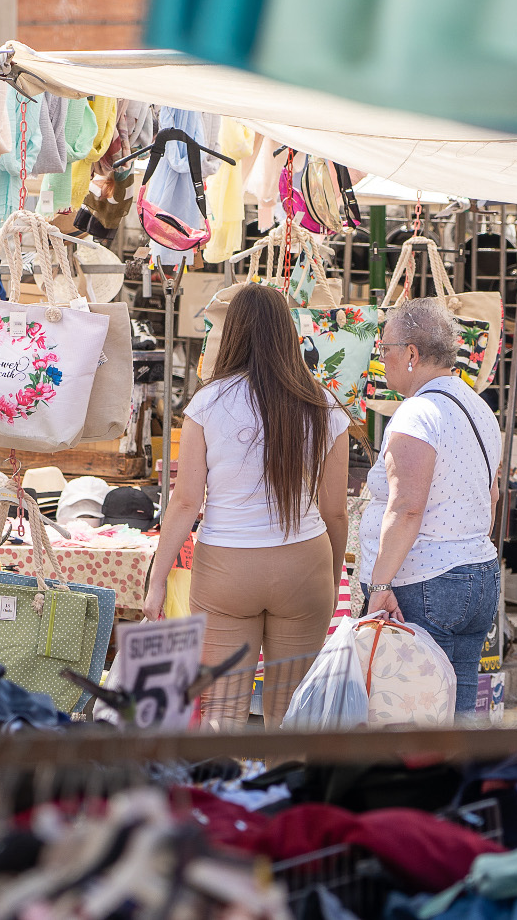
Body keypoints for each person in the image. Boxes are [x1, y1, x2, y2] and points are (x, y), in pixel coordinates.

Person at [142, 284, 350, 728]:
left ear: (233, 333)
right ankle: (282, 794)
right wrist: (331, 580)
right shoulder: (325, 406)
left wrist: (157, 582)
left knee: (221, 708)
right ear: (288, 334)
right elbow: (335, 512)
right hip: (303, 565)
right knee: (291, 712)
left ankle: (223, 794)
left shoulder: (207, 403)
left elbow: (184, 502)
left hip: (226, 567)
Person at [361, 297, 503, 712]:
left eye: (384, 349)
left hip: (426, 582)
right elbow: (491, 494)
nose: (381, 359)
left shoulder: (417, 413)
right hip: (477, 574)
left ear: (411, 353)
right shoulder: (478, 406)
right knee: (454, 715)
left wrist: (380, 585)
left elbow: (406, 507)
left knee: (416, 717)